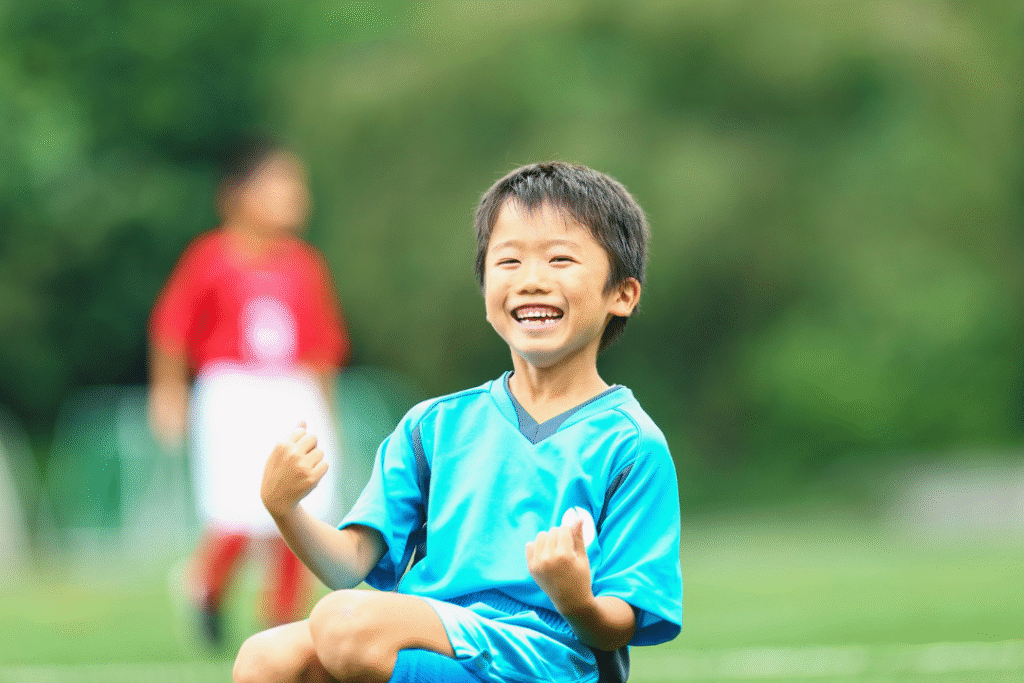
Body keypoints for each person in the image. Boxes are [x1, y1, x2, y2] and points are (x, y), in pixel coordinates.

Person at [232, 161, 682, 683]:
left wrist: (574, 597)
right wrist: (283, 508)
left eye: (561, 259)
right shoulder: (433, 427)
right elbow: (346, 566)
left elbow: (618, 626)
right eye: (508, 261)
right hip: (438, 641)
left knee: (344, 622)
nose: (532, 280)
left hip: (551, 660)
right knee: (264, 658)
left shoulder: (631, 444)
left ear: (621, 294)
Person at [148, 136, 351, 645]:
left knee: (298, 509)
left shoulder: (305, 265)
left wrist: (326, 414)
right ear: (240, 195)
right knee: (237, 509)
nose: (295, 195)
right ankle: (207, 587)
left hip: (292, 392)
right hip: (232, 393)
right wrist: (168, 393)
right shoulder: (209, 259)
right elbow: (172, 330)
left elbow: (322, 348)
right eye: (281, 184)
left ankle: (280, 621)